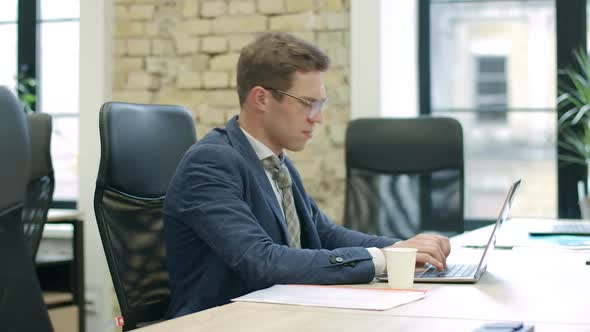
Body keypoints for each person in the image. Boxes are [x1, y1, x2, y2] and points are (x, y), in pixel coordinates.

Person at [163, 32, 450, 318]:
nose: (318, 117)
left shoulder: (275, 162)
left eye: (320, 104)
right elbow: (261, 261)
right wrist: (380, 259)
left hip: (280, 315)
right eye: (307, 103)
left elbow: (324, 234)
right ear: (261, 98)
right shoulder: (211, 162)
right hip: (220, 321)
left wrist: (402, 250)